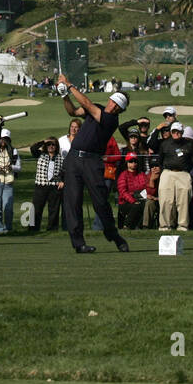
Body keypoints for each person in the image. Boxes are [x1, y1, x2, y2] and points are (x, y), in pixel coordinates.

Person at [56, 73, 128, 254]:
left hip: (92, 160)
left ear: (120, 109)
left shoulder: (111, 120)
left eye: (116, 105)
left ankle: (113, 234)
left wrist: (70, 84)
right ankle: (78, 243)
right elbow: (73, 112)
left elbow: (87, 104)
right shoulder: (97, 108)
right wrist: (64, 94)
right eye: (112, 101)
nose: (112, 105)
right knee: (72, 201)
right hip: (73, 158)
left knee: (100, 201)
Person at [155, 122, 193, 232]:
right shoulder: (165, 144)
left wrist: (185, 170)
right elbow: (160, 160)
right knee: (165, 200)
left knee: (183, 200)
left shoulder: (188, 144)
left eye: (178, 131)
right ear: (171, 132)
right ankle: (164, 226)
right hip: (168, 173)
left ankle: (182, 225)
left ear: (182, 132)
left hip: (183, 174)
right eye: (174, 131)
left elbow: (192, 161)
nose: (176, 133)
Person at [29, 137, 65, 232]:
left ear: (56, 146)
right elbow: (33, 148)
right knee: (36, 209)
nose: (51, 146)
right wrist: (43, 141)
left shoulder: (61, 158)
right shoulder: (40, 155)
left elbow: (65, 172)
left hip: (54, 187)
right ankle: (33, 229)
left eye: (53, 144)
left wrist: (63, 181)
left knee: (54, 210)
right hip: (41, 186)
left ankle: (52, 230)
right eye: (49, 144)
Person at [116, 154, 150, 229]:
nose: (133, 163)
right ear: (127, 163)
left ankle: (142, 227)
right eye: (131, 161)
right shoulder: (123, 175)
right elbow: (123, 192)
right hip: (126, 202)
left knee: (147, 204)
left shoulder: (141, 174)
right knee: (137, 205)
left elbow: (147, 187)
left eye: (135, 161)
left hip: (141, 199)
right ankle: (127, 226)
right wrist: (133, 201)